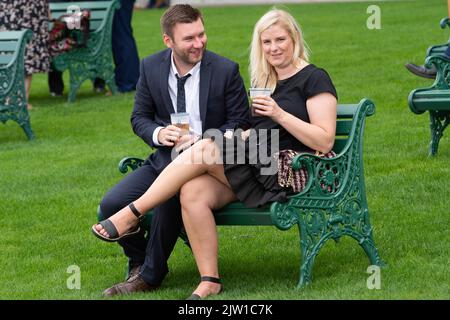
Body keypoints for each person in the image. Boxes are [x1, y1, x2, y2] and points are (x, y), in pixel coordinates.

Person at [93, 8, 338, 299]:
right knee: (192, 190)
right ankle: (210, 280)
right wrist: (243, 134)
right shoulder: (265, 82)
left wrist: (279, 114)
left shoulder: (314, 78)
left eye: (280, 40)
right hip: (258, 163)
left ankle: (131, 214)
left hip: (292, 170)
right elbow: (255, 131)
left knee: (208, 145)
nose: (273, 48)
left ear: (294, 38)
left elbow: (324, 141)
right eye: (266, 42)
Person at [96, 4, 250, 297]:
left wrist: (206, 139)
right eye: (189, 38)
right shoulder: (151, 67)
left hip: (207, 165)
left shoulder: (225, 69)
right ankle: (139, 261)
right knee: (110, 204)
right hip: (164, 159)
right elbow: (139, 117)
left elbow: (240, 122)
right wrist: (158, 132)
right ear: (168, 41)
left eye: (201, 34)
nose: (199, 43)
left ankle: (151, 276)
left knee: (171, 196)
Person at [0, 0, 51, 109]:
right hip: (26, 14)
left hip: (21, 14)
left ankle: (18, 99)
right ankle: (20, 99)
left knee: (18, 55)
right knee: (27, 55)